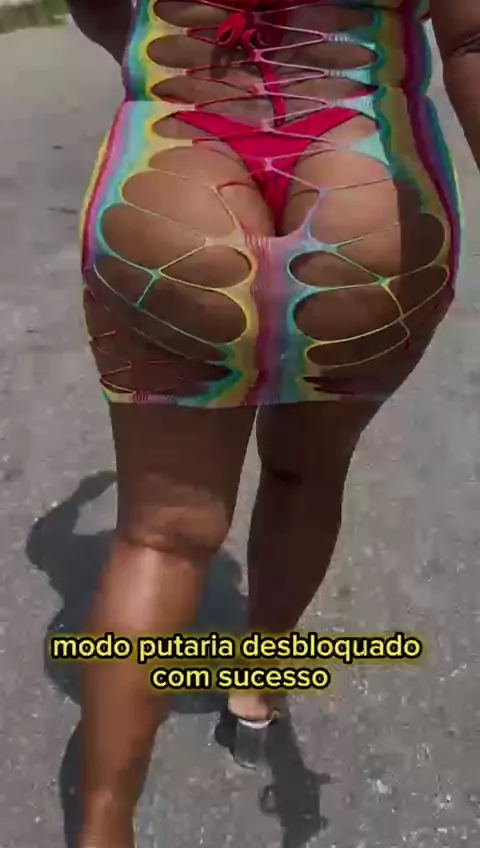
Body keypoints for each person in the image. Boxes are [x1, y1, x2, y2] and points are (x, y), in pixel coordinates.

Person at [64, 0, 480, 845]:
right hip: (366, 190)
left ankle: (102, 829)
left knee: (160, 537)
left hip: (171, 177)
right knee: (305, 474)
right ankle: (255, 682)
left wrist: (147, 54)